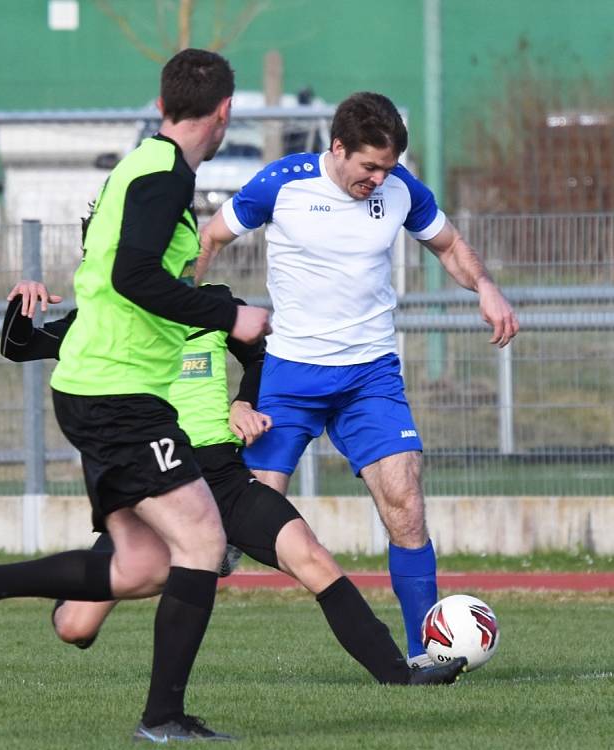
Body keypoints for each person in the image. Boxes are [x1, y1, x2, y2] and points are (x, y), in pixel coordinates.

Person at [0, 48, 272, 745]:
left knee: (144, 566)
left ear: (160, 105)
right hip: (116, 395)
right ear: (226, 112)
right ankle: (163, 718)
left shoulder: (143, 168)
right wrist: (228, 315)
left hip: (99, 388)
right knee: (204, 539)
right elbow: (131, 277)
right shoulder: (165, 175)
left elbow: (115, 280)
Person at [0, 278, 466, 689]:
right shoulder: (105, 318)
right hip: (157, 482)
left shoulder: (213, 304)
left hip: (222, 475)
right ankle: (170, 566)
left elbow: (263, 357)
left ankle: (399, 674)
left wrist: (243, 402)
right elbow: (19, 346)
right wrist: (21, 306)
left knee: (311, 555)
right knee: (75, 627)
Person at [196, 91, 520, 667]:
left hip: (370, 377)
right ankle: (188, 560)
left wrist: (486, 287)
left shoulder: (402, 190)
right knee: (250, 518)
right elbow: (212, 239)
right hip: (290, 375)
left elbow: (446, 244)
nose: (378, 178)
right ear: (337, 147)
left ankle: (428, 654)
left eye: (387, 167)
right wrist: (183, 309)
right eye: (368, 166)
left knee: (406, 504)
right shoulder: (281, 182)